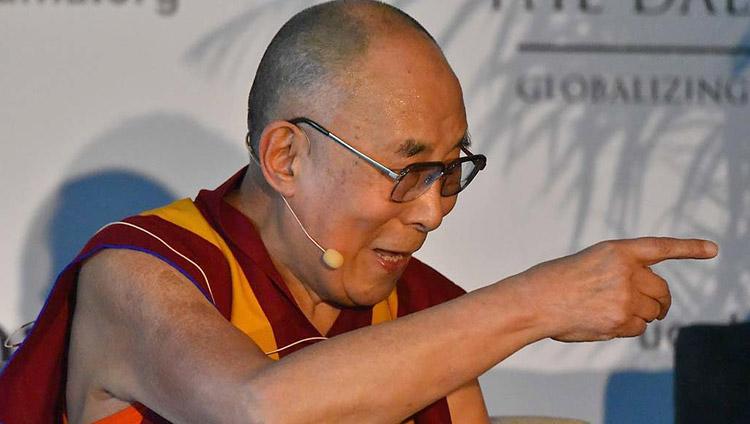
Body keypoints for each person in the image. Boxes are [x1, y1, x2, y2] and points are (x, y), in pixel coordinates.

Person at [0, 1, 718, 423]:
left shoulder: (415, 315)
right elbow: (260, 410)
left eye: (448, 171)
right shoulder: (139, 273)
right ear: (286, 158)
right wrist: (535, 303)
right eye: (406, 172)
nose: (435, 211)